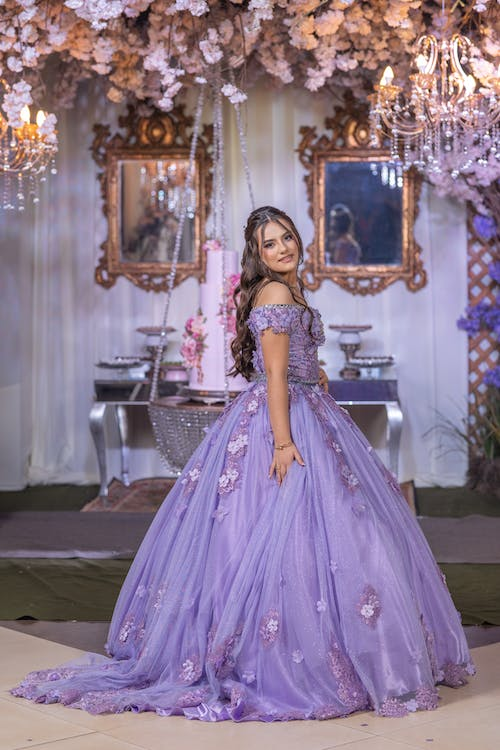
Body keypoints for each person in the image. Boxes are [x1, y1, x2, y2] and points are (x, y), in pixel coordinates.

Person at [12, 206, 474, 721]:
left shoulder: (289, 289)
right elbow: (273, 377)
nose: (282, 248)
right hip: (282, 420)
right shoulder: (275, 293)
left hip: (304, 406)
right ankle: (286, 659)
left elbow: (290, 364)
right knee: (293, 530)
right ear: (258, 255)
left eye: (287, 237)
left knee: (334, 530)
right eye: (269, 244)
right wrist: (283, 442)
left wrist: (315, 375)